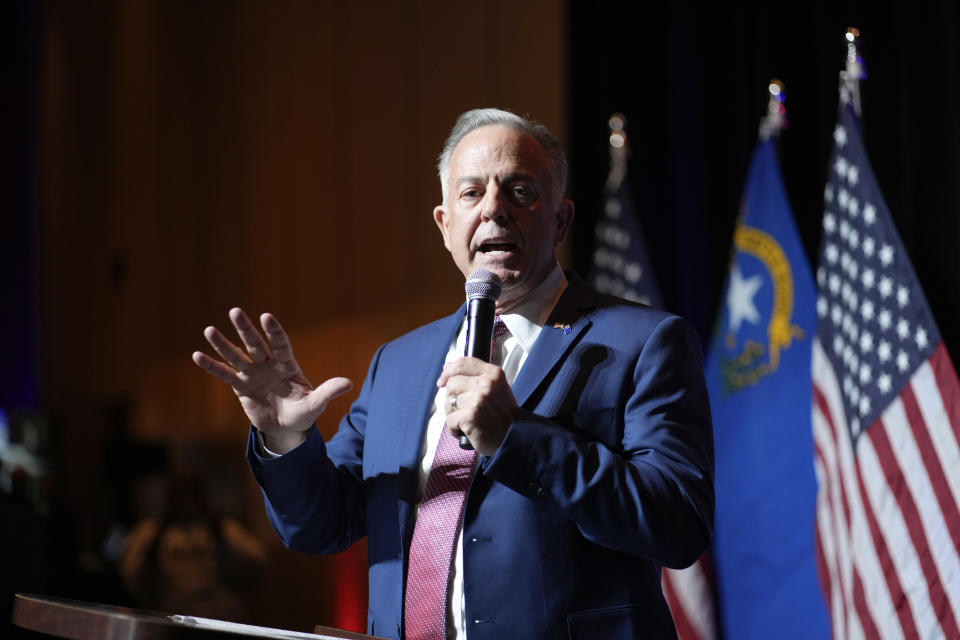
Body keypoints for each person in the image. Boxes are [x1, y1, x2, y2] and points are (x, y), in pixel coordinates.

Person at [192, 108, 714, 640]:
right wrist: (285, 437)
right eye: (471, 193)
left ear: (559, 220)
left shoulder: (644, 341)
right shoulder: (397, 363)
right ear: (444, 226)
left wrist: (516, 438)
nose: (494, 209)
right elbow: (317, 526)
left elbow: (677, 523)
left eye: (520, 191)